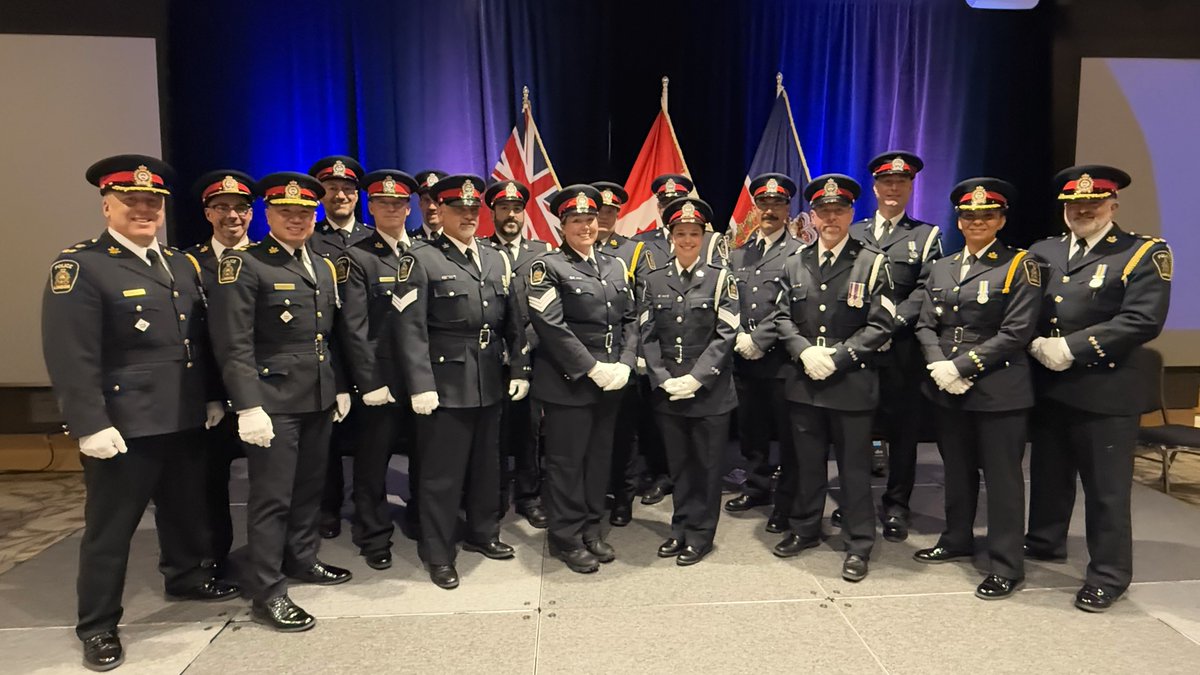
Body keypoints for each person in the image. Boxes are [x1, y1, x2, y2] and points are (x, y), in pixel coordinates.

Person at [43, 155, 239, 671]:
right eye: (132, 201)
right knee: (110, 531)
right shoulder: (82, 266)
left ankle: (186, 578)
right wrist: (89, 423)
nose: (144, 210)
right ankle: (99, 625)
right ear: (107, 205)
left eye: (153, 202)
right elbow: (71, 354)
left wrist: (212, 396)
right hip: (123, 426)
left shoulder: (179, 262)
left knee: (184, 513)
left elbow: (199, 338)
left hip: (182, 415)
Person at [209, 171, 353, 632]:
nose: (297, 219)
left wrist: (340, 386)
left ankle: (302, 558)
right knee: (271, 499)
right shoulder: (245, 264)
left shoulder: (322, 264)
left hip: (316, 397)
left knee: (308, 490)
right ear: (268, 214)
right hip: (272, 402)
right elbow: (233, 344)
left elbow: (328, 337)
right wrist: (248, 406)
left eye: (305, 212)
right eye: (287, 212)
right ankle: (267, 589)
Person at [1024, 165, 1172, 612]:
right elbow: (1024, 307)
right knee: (1049, 476)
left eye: (1092, 202)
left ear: (1113, 204)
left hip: (1106, 389)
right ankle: (1045, 541)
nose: (1082, 209)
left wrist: (1070, 347)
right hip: (1049, 386)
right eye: (1073, 204)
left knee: (1106, 490)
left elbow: (1142, 319)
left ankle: (1108, 574)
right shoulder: (1043, 250)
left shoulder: (1142, 252)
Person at [391, 174, 527, 589]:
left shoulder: (493, 257)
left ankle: (484, 532)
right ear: (441, 212)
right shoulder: (421, 258)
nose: (468, 216)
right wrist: (420, 384)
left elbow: (513, 322)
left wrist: (519, 369)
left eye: (473, 210)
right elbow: (408, 329)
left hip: (488, 377)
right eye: (459, 210)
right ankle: (438, 552)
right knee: (441, 475)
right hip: (444, 382)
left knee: (488, 467)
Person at [912, 179, 1040, 600]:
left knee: (1003, 480)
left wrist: (966, 366)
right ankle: (956, 538)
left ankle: (1006, 564)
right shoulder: (943, 265)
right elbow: (926, 323)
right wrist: (938, 364)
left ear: (1001, 220)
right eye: (969, 216)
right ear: (960, 221)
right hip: (947, 386)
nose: (976, 222)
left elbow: (1017, 330)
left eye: (986, 216)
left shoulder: (1022, 265)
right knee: (957, 471)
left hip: (997, 389)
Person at [771, 174, 894, 582]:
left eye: (839, 210)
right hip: (805, 380)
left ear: (851, 213)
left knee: (854, 469)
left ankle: (859, 543)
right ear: (813, 216)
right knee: (807, 465)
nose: (831, 218)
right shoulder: (795, 262)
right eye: (823, 211)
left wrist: (839, 357)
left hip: (850, 383)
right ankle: (805, 528)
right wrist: (804, 351)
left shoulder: (872, 262)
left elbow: (882, 325)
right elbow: (781, 317)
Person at [526, 185, 638, 573]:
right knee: (566, 463)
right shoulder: (548, 267)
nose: (586, 226)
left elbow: (630, 320)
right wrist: (592, 367)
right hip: (568, 382)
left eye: (591, 219)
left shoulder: (614, 265)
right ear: (563, 225)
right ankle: (566, 536)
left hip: (610, 381)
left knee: (597, 460)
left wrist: (624, 362)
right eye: (577, 220)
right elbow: (551, 326)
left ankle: (592, 526)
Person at [847, 151, 941, 541]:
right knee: (856, 429)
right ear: (875, 186)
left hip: (901, 349)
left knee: (902, 433)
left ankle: (897, 505)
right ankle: (855, 505)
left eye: (901, 183)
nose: (893, 188)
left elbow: (925, 289)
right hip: (860, 350)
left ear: (910, 187)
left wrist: (891, 324)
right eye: (887, 182)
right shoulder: (854, 233)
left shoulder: (926, 235)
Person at [639, 197, 739, 565]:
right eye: (680, 233)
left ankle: (701, 534)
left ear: (703, 236)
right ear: (671, 237)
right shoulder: (654, 279)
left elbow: (726, 333)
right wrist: (662, 379)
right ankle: (679, 527)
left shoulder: (720, 278)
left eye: (693, 233)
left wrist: (697, 379)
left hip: (709, 393)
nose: (686, 240)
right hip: (669, 392)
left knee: (708, 467)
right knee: (679, 466)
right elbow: (647, 334)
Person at [333, 169, 420, 570]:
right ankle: (373, 533)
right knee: (373, 463)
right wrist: (368, 382)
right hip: (381, 381)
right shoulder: (357, 258)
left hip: (422, 378)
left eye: (399, 203)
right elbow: (353, 327)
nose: (392, 209)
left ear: (409, 207)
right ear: (370, 206)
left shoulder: (422, 252)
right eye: (383, 202)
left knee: (425, 454)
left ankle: (420, 517)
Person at [724, 174, 803, 535]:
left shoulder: (799, 253)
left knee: (786, 434)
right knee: (751, 429)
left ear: (788, 210)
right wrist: (739, 335)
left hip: (780, 359)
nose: (769, 210)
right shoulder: (739, 252)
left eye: (777, 204)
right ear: (755, 209)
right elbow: (727, 299)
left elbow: (793, 304)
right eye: (764, 205)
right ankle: (756, 487)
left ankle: (787, 501)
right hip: (743, 356)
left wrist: (760, 337)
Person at [187, 170, 256, 578]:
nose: (233, 216)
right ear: (208, 213)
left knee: (272, 487)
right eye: (222, 208)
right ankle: (214, 556)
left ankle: (273, 556)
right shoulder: (187, 264)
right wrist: (210, 393)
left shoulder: (270, 258)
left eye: (241, 208)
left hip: (264, 391)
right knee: (209, 483)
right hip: (211, 394)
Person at [484, 179, 552, 528]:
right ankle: (494, 494)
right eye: (504, 208)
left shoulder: (541, 253)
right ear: (492, 211)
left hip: (531, 354)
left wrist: (523, 347)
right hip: (491, 358)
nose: (511, 215)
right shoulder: (480, 251)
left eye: (516, 209)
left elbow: (548, 308)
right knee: (493, 431)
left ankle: (528, 494)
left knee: (529, 430)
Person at [307, 155, 369, 540]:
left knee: (370, 437)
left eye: (347, 189)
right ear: (321, 194)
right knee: (324, 439)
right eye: (332, 189)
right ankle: (327, 507)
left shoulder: (374, 237)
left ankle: (366, 504)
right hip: (327, 351)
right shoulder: (308, 239)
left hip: (366, 352)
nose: (340, 195)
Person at [591, 181, 652, 526]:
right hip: (587, 360)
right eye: (599, 211)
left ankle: (623, 497)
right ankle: (594, 492)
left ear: (618, 215)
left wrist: (632, 357)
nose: (604, 217)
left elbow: (642, 307)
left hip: (622, 358)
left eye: (611, 212)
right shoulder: (569, 247)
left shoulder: (633, 250)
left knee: (623, 434)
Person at [413, 169, 448, 240]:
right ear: (420, 203)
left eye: (436, 200)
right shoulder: (409, 243)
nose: (432, 207)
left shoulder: (458, 241)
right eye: (426, 200)